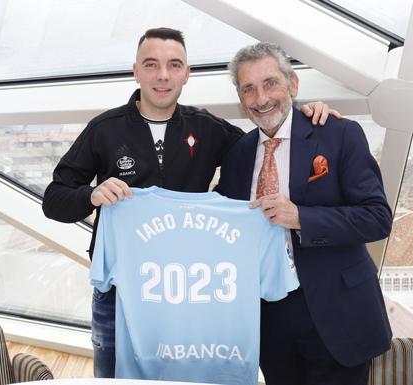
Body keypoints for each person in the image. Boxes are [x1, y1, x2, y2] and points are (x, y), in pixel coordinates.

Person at [42, 28, 338, 378]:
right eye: (151, 65)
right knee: (115, 380)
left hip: (193, 295)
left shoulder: (208, 128)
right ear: (136, 71)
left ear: (187, 73)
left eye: (174, 65)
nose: (163, 75)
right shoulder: (104, 129)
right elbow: (54, 200)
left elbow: (265, 146)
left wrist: (304, 114)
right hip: (120, 295)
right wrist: (91, 195)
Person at [216, 42, 393, 385]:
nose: (261, 98)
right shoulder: (237, 154)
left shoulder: (339, 134)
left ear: (293, 84)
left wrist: (300, 217)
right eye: (248, 89)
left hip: (336, 313)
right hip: (269, 319)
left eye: (270, 83)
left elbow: (377, 217)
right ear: (241, 98)